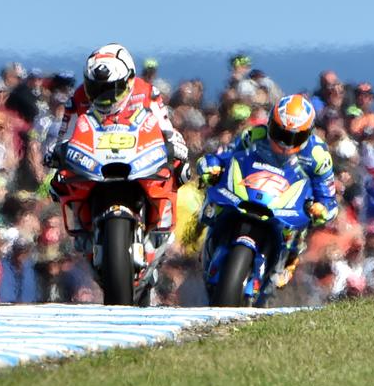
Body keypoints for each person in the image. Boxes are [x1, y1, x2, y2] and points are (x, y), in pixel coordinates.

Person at [198, 93, 339, 287]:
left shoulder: (318, 156)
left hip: (286, 207)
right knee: (213, 205)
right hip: (248, 191)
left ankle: (288, 260)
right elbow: (226, 154)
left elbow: (328, 195)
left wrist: (322, 208)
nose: (284, 143)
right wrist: (212, 166)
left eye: (294, 137)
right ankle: (210, 237)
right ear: (271, 123)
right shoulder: (254, 135)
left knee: (300, 229)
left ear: (308, 134)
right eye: (280, 133)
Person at [45, 43, 189, 177]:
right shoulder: (78, 97)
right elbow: (63, 138)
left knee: (179, 172)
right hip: (92, 168)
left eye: (113, 88)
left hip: (139, 164)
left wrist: (176, 143)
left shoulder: (147, 92)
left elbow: (166, 130)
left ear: (129, 80)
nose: (104, 97)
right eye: (95, 88)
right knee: (59, 182)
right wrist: (54, 151)